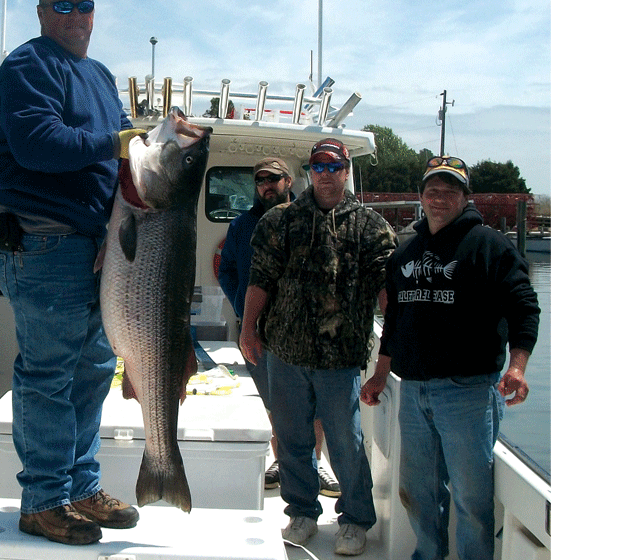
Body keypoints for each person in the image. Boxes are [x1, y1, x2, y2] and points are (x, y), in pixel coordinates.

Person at [0, 0, 145, 546]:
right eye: (65, 5)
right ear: (43, 13)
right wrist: (114, 143)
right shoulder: (28, 66)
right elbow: (37, 144)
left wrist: (139, 152)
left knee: (94, 371)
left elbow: (127, 154)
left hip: (97, 249)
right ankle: (44, 499)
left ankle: (80, 488)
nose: (78, 15)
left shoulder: (100, 76)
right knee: (49, 376)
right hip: (45, 243)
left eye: (86, 4)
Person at [360, 156, 540, 560]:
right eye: (432, 191)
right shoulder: (405, 252)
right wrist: (379, 373)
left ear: (465, 196)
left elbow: (525, 307)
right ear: (421, 196)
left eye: (450, 190)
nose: (440, 198)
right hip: (414, 391)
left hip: (469, 394)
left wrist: (517, 366)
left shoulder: (490, 245)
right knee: (419, 494)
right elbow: (395, 320)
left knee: (472, 502)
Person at [239, 138, 395, 556]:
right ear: (309, 173)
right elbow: (261, 278)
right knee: (291, 440)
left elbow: (386, 289)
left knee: (346, 443)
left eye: (334, 166)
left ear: (347, 171)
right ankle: (302, 512)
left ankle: (355, 519)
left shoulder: (371, 227)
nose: (326, 174)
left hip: (340, 359)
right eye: (318, 167)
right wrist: (248, 329)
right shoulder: (279, 220)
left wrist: (394, 342)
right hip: (284, 353)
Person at [219, 158, 342, 496]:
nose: (266, 186)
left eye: (273, 179)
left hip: (302, 331)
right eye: (260, 181)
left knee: (311, 404)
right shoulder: (241, 226)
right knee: (273, 402)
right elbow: (227, 268)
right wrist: (243, 307)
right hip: (258, 331)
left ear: (289, 181)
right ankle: (281, 460)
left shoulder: (311, 219)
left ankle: (314, 465)